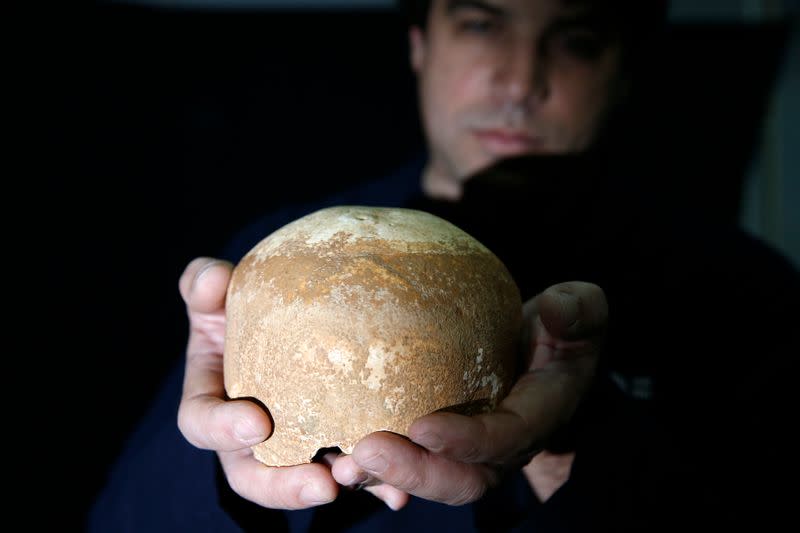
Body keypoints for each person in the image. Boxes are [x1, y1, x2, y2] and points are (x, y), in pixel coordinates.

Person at [90, 0, 799, 531]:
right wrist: (220, 460)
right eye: (482, 24)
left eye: (575, 42)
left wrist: (576, 449)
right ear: (420, 43)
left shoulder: (737, 291)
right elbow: (122, 519)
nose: (520, 81)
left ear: (623, 73)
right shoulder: (273, 264)